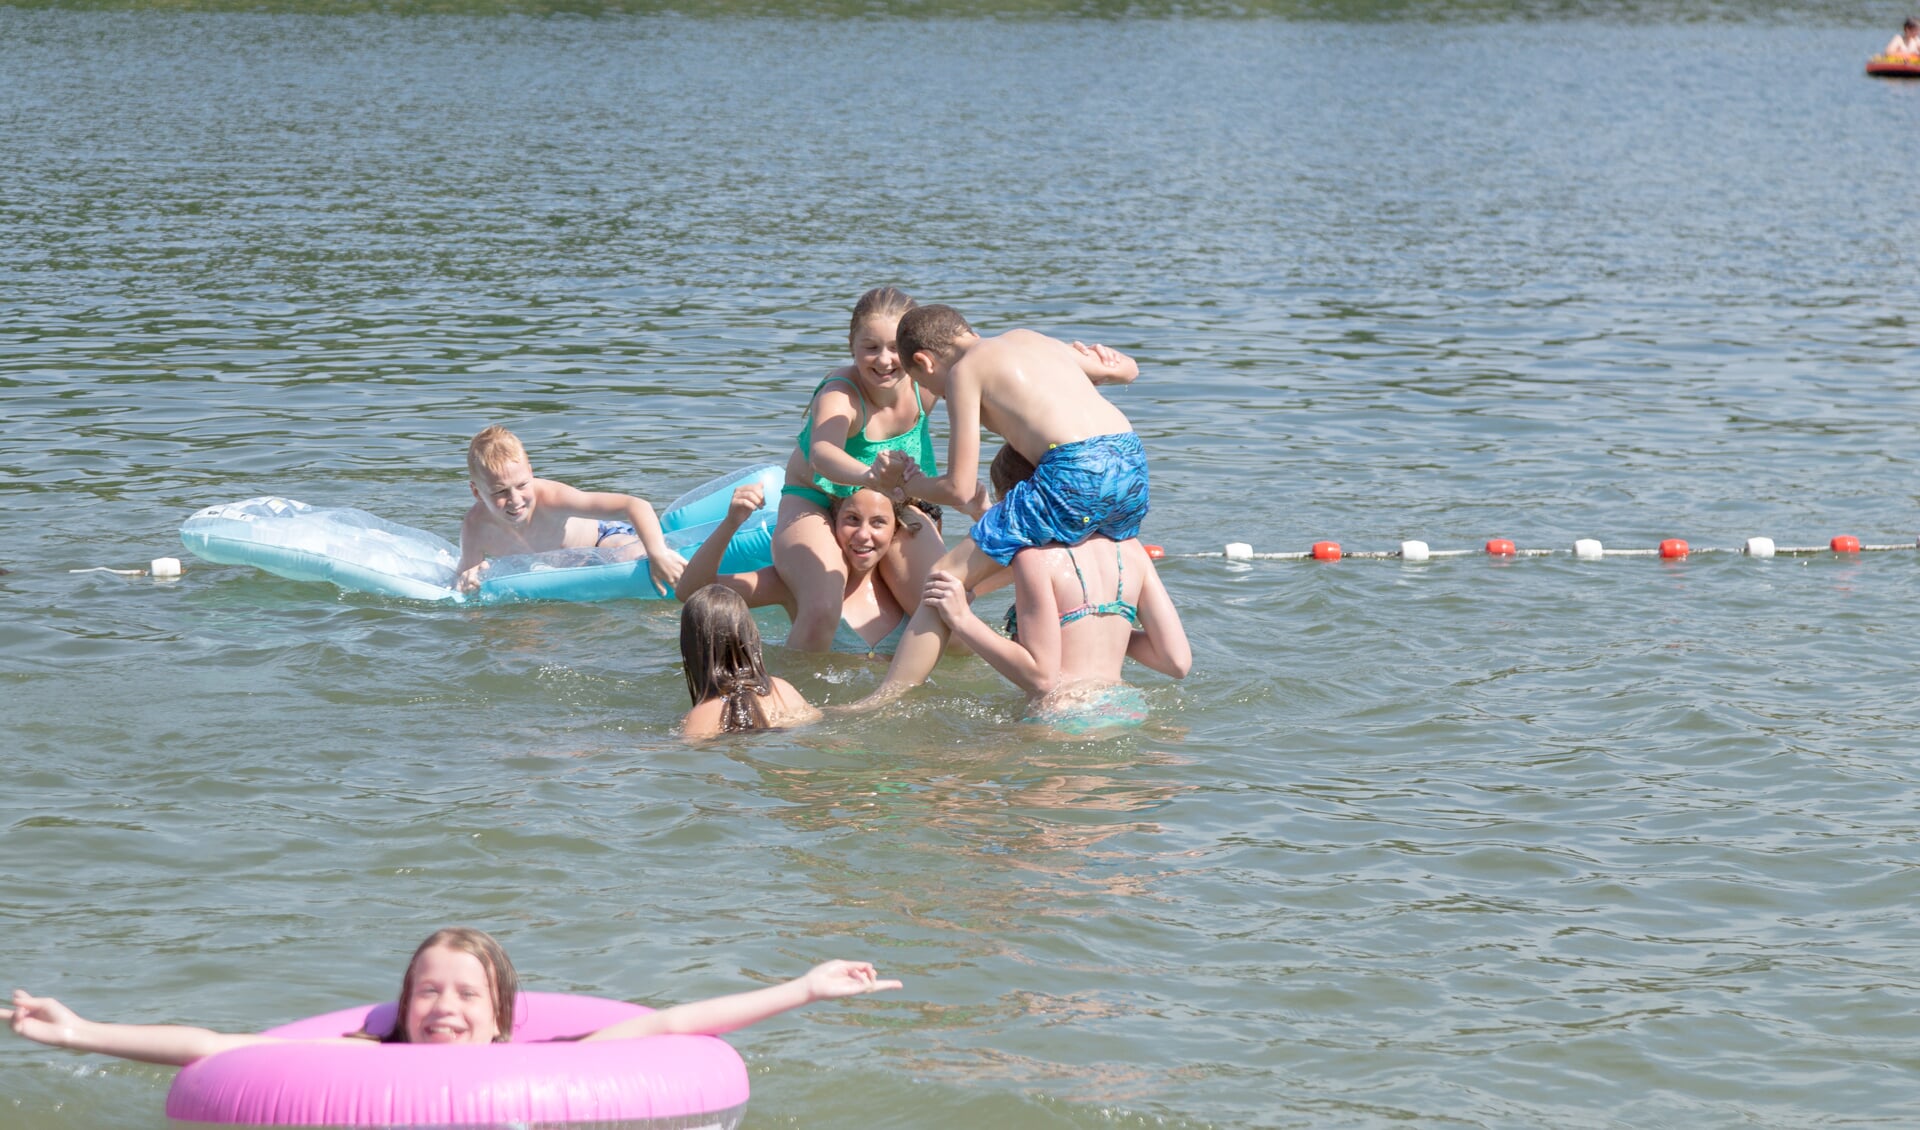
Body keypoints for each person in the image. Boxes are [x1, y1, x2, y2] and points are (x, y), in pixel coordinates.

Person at [3, 926, 899, 1064]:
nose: (444, 1007)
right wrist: (80, 1031)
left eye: (465, 994)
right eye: (427, 991)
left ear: (502, 1015)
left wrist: (803, 989)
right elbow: (222, 1050)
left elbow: (669, 1025)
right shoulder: (361, 1060)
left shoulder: (544, 1063)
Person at [853, 305, 1144, 707]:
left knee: (944, 578)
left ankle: (884, 700)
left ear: (924, 361)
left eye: (929, 384)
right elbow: (1127, 371)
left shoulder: (964, 372)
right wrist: (1115, 363)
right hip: (1132, 461)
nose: (938, 392)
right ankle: (1091, 674)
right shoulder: (1033, 339)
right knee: (1061, 561)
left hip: (1074, 470)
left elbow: (957, 488)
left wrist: (906, 484)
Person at [920, 445, 1190, 721]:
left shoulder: (1034, 559)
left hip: (1060, 714)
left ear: (1016, 502)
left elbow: (1042, 679)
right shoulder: (1132, 550)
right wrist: (1105, 630)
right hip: (1125, 709)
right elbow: (1176, 661)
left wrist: (962, 619)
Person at [775, 287, 948, 651]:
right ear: (851, 344)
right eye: (870, 347)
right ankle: (788, 696)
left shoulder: (926, 386)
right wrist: (869, 477)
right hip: (817, 501)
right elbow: (823, 453)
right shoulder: (841, 394)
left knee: (946, 611)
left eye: (894, 348)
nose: (884, 360)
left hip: (892, 507)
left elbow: (987, 376)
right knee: (823, 607)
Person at [681, 481, 924, 657]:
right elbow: (694, 591)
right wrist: (732, 522)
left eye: (878, 522)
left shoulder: (907, 589)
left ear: (895, 529)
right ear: (833, 521)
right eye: (852, 519)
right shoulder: (802, 585)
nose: (862, 535)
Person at [456, 425, 684, 595]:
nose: (515, 499)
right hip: (549, 569)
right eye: (499, 492)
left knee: (627, 559)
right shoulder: (475, 526)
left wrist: (658, 553)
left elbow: (635, 505)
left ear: (530, 472)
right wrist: (469, 580)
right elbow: (467, 574)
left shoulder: (552, 498)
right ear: (476, 492)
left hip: (602, 541)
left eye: (523, 485)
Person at [680, 583, 821, 738]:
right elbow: (816, 718)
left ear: (690, 647)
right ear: (751, 634)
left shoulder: (701, 717)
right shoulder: (783, 691)